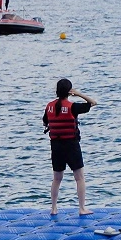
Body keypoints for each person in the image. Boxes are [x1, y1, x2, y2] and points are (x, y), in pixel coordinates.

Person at [43, 78, 96, 216]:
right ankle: (82, 208)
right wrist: (78, 94)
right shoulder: (72, 107)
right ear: (69, 92)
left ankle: (53, 208)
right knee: (79, 178)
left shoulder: (49, 106)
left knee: (57, 178)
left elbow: (45, 121)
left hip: (56, 146)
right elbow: (92, 103)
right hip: (71, 145)